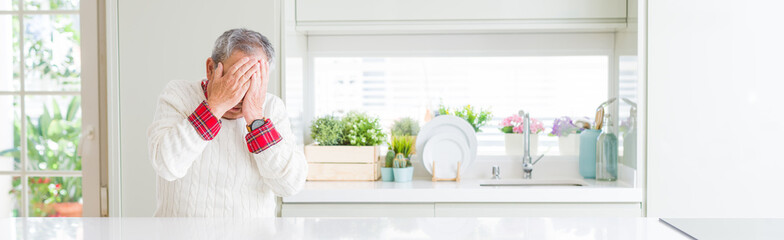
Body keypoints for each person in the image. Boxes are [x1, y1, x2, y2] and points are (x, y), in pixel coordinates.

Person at [147, 28, 307, 217]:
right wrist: (214, 107)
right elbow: (165, 165)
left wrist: (257, 120)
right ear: (210, 69)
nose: (239, 95)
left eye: (251, 81)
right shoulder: (179, 95)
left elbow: (290, 185)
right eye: (233, 79)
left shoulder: (272, 107)